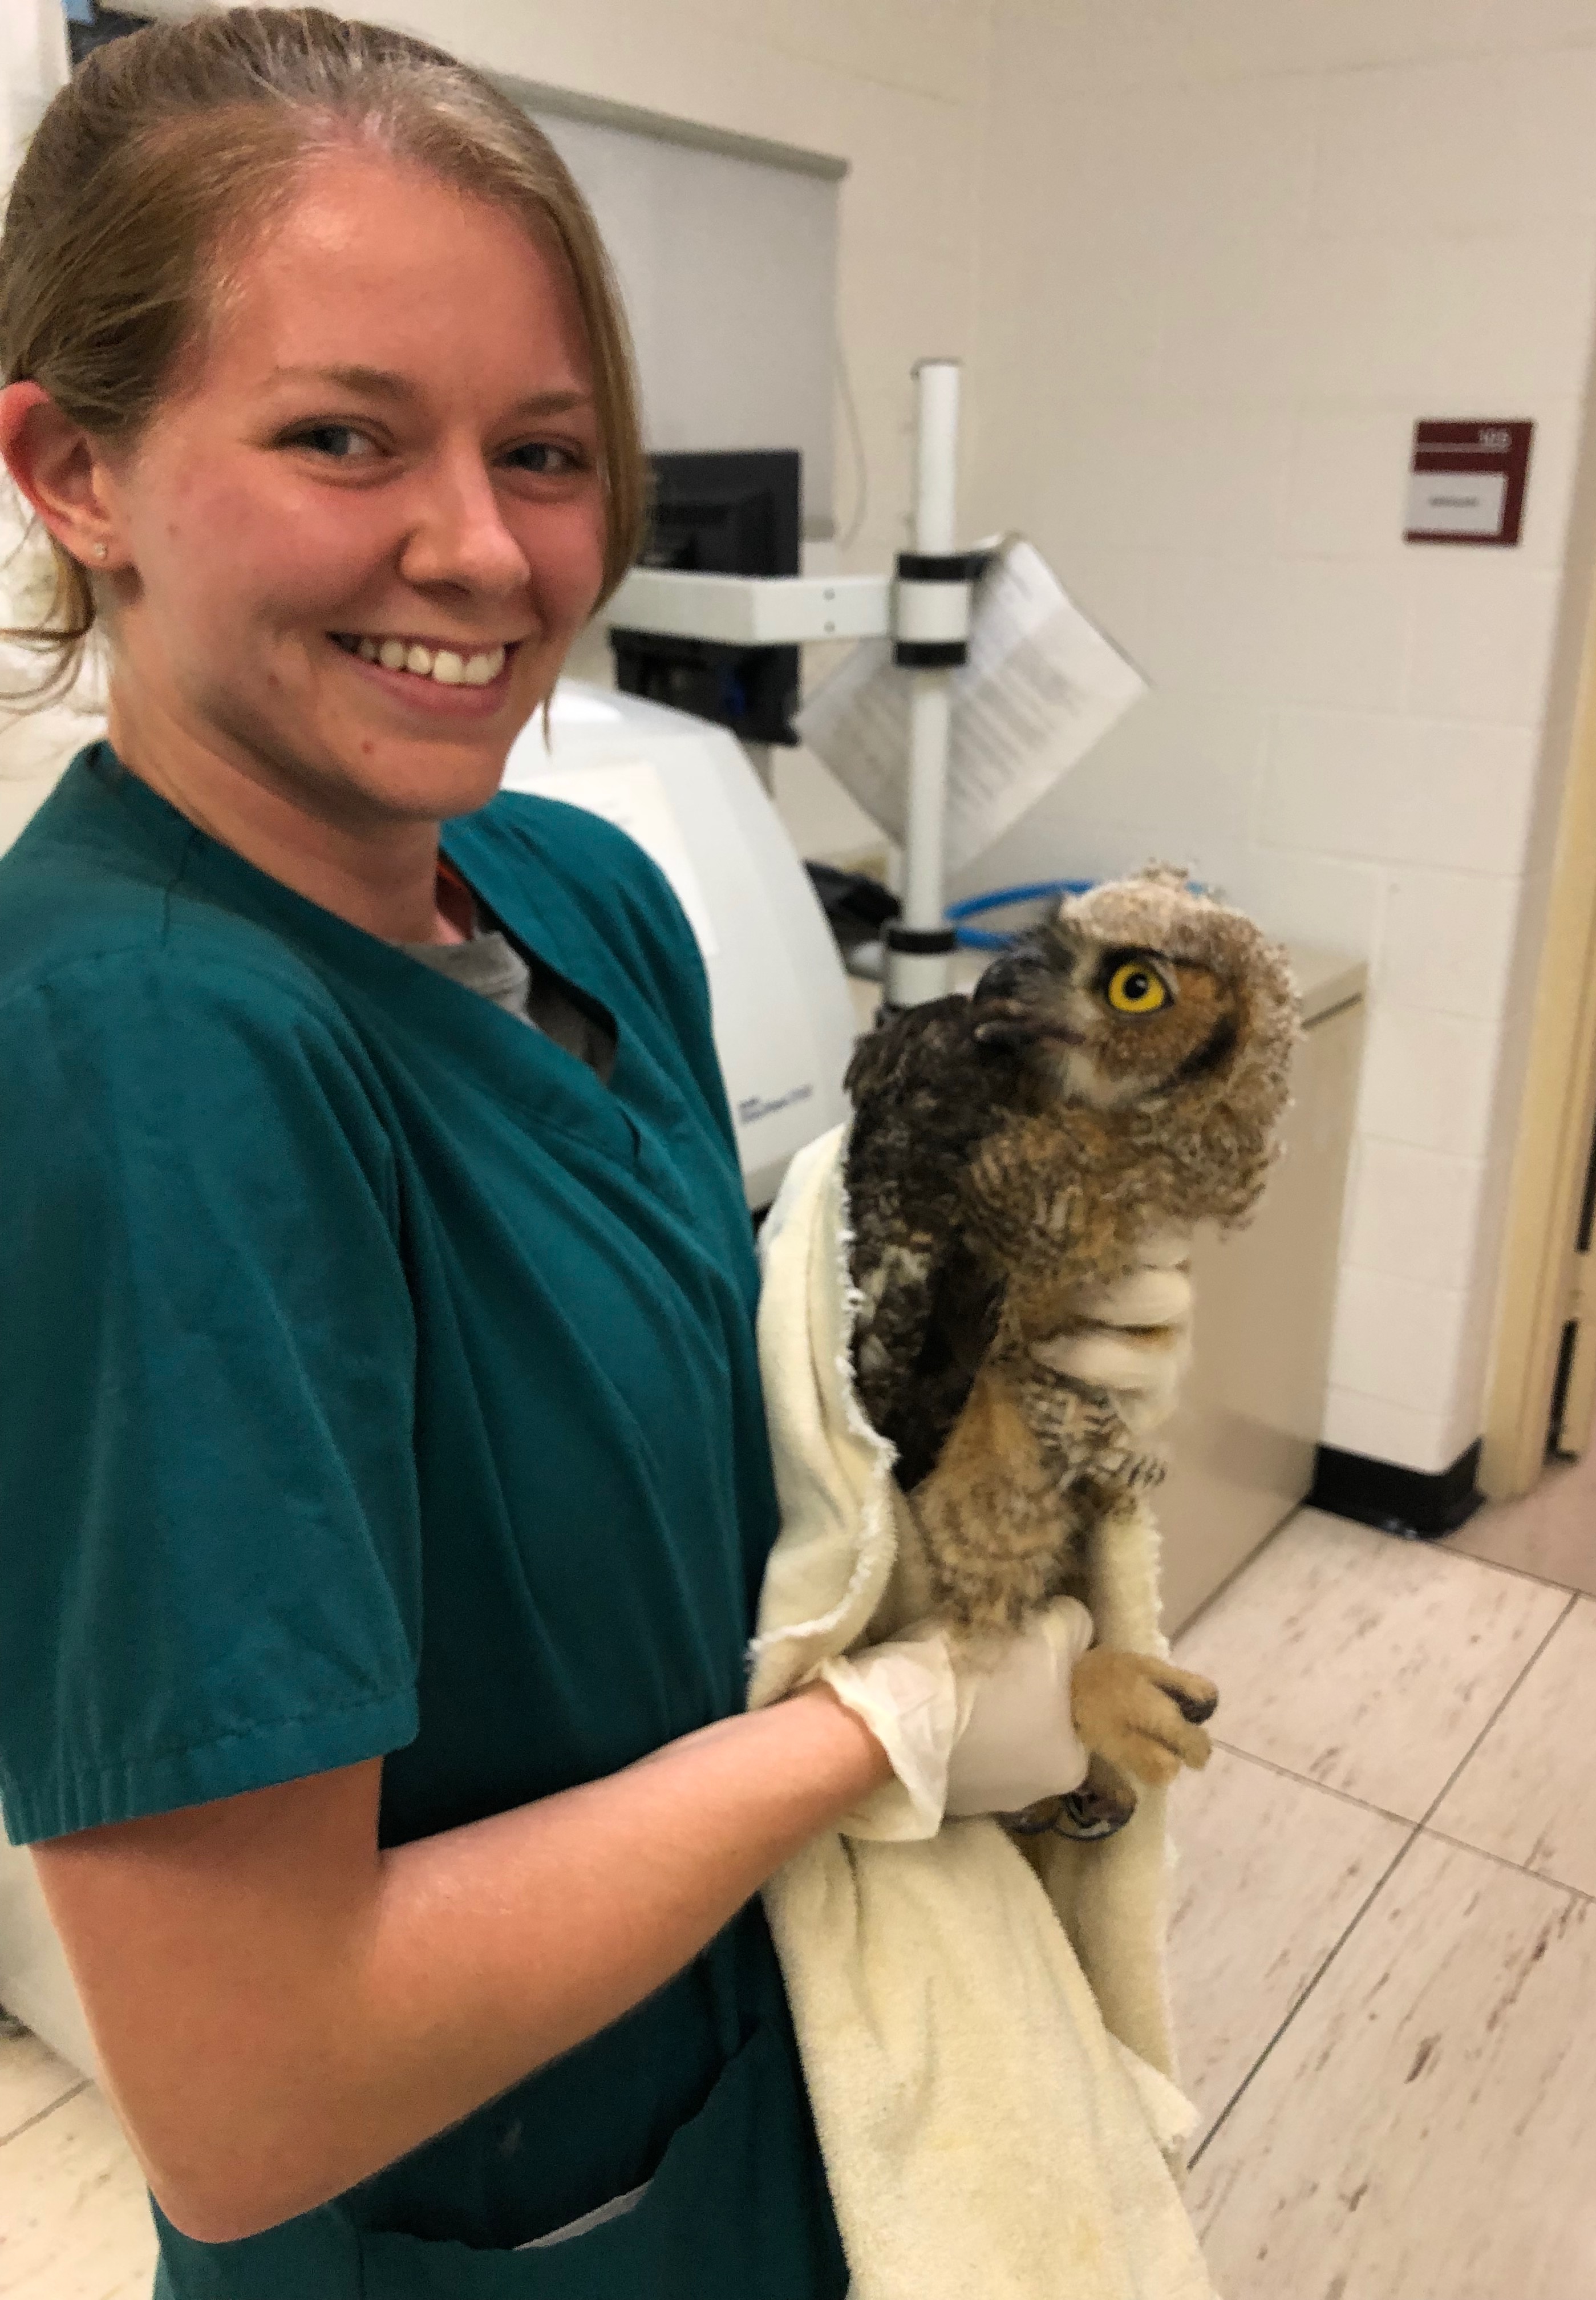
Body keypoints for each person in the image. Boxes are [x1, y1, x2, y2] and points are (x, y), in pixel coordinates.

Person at [0, 13, 1109, 2295]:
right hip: (490, 2214)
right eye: (340, 436)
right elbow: (252, 2093)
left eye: (548, 449)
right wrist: (885, 1735)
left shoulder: (573, 880)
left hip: (734, 2048)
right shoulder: (140, 1063)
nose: (486, 553)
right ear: (72, 473)